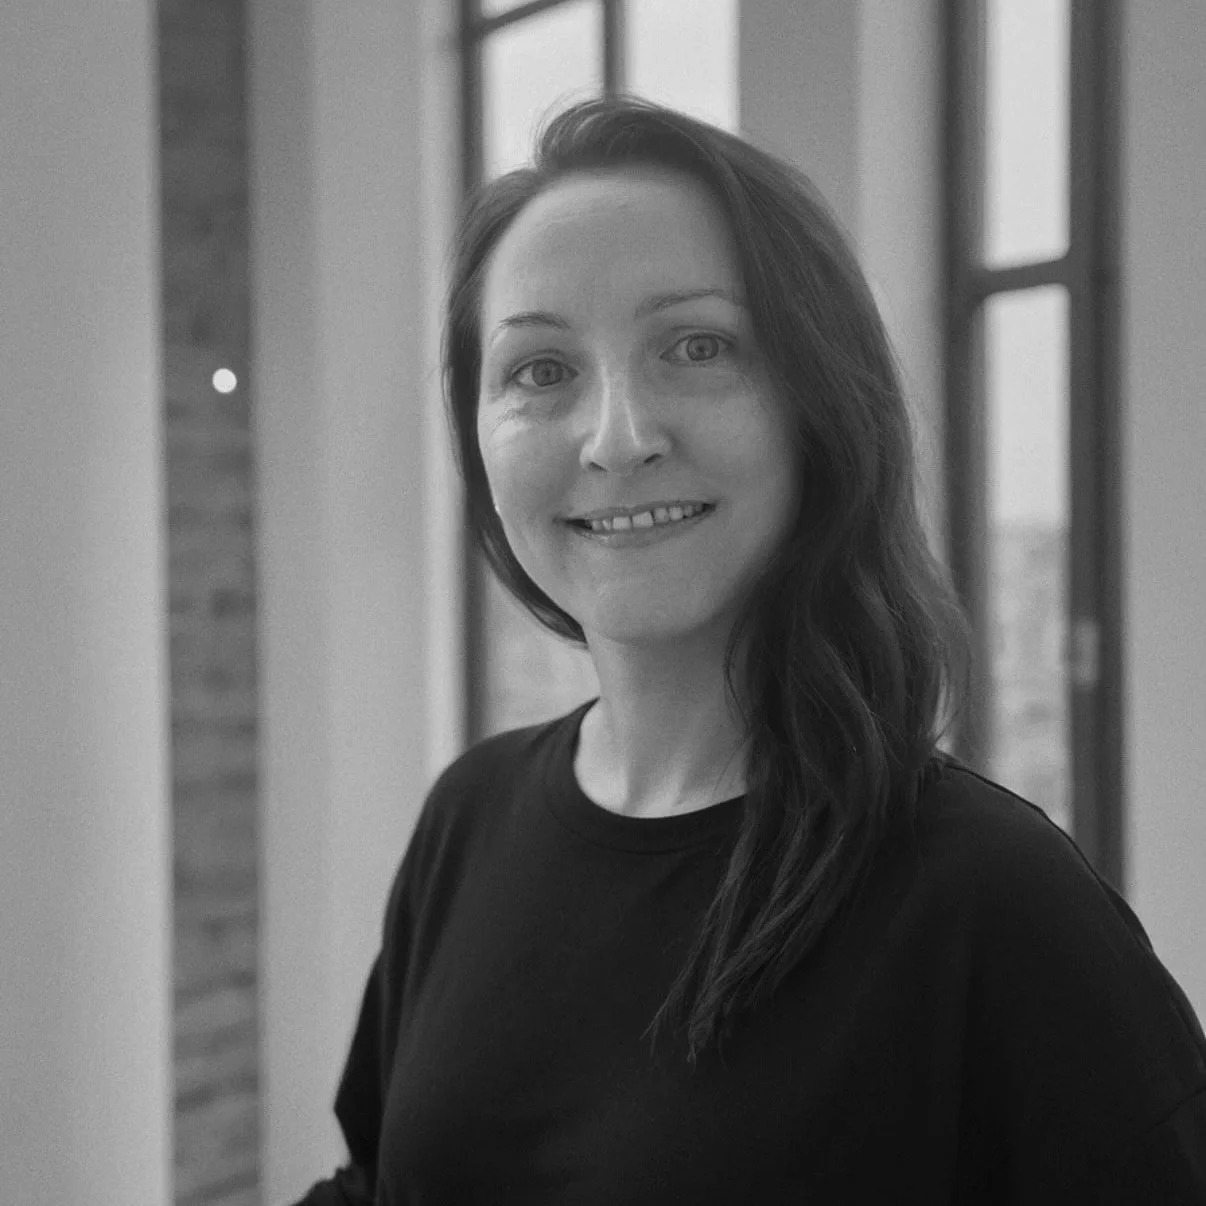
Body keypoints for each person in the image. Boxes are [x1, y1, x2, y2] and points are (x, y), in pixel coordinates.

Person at [292, 96, 1206, 1204]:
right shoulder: (469, 815)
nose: (618, 438)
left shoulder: (992, 900)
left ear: (820, 402)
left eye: (697, 347)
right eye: (540, 370)